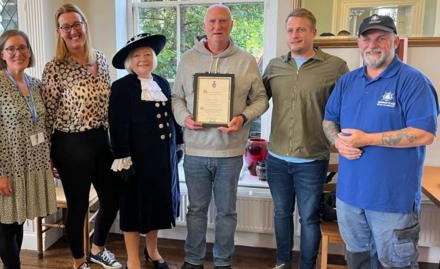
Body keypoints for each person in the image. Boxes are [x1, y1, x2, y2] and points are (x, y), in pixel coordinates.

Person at [323, 14, 439, 269]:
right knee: (359, 261)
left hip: (392, 201)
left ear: (395, 42)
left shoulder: (413, 81)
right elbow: (329, 120)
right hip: (350, 198)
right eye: (366, 38)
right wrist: (337, 142)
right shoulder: (348, 81)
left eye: (381, 38)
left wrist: (368, 139)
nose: (372, 44)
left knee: (396, 264)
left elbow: (424, 133)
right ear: (359, 43)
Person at [172, 4, 269, 269]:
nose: (217, 26)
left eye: (223, 21)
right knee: (195, 211)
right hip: (195, 151)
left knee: (227, 212)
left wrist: (243, 117)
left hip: (229, 152)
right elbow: (177, 98)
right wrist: (184, 118)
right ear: (204, 26)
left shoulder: (246, 60)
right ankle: (193, 260)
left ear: (231, 25)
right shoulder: (188, 60)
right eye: (212, 21)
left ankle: (223, 262)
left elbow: (261, 99)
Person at [262, 8, 349, 269]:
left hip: (312, 159)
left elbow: (350, 107)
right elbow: (256, 100)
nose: (295, 34)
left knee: (309, 219)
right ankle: (282, 262)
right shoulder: (275, 65)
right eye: (290, 30)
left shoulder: (335, 67)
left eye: (301, 29)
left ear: (313, 32)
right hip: (276, 157)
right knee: (280, 213)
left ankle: (307, 266)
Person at [41, 4, 121, 269]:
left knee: (112, 198)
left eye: (77, 24)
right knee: (77, 208)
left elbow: (109, 105)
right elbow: (47, 116)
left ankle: (97, 248)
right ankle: (79, 262)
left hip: (101, 140)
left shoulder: (101, 58)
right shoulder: (54, 68)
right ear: (59, 32)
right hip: (70, 145)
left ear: (85, 25)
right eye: (66, 26)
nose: (73, 31)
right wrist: (49, 153)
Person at [0, 29, 57, 269]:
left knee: (19, 220)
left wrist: (50, 158)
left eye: (22, 47)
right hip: (8, 169)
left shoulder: (36, 85)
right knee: (8, 225)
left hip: (33, 166)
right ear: (2, 54)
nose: (17, 53)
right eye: (10, 48)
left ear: (29, 52)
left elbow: (44, 124)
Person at [109, 33, 182, 269]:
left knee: (158, 206)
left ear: (154, 58)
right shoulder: (122, 87)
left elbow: (171, 118)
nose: (143, 59)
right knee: (133, 208)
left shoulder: (161, 83)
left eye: (147, 54)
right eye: (137, 55)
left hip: (162, 159)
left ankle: (152, 251)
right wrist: (123, 156)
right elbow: (117, 124)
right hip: (136, 160)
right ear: (130, 61)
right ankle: (132, 260)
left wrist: (178, 144)